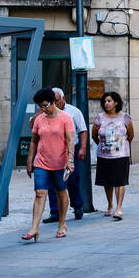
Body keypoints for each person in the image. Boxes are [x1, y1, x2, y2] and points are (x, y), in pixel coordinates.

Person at [24, 87, 75, 241]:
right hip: (41, 161)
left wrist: (70, 160)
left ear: (54, 101)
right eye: (41, 106)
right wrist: (29, 160)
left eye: (45, 105)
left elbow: (70, 140)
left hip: (60, 162)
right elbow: (34, 141)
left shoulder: (66, 118)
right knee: (40, 193)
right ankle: (34, 228)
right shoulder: (39, 119)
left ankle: (62, 224)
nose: (43, 108)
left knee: (61, 192)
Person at [92, 91, 133, 220]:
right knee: (107, 181)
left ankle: (119, 208)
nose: (106, 103)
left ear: (116, 102)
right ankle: (110, 205)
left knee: (120, 181)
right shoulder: (99, 118)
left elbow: (130, 135)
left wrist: (121, 145)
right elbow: (95, 135)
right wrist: (104, 146)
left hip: (121, 154)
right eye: (105, 101)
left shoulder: (125, 117)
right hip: (104, 155)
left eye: (109, 101)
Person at [50, 87, 89, 221]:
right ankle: (55, 212)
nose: (54, 104)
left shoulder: (73, 112)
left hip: (70, 149)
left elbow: (83, 130)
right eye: (51, 101)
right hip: (53, 150)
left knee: (72, 179)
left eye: (56, 101)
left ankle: (77, 206)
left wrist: (83, 148)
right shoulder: (46, 112)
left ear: (63, 99)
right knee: (53, 181)